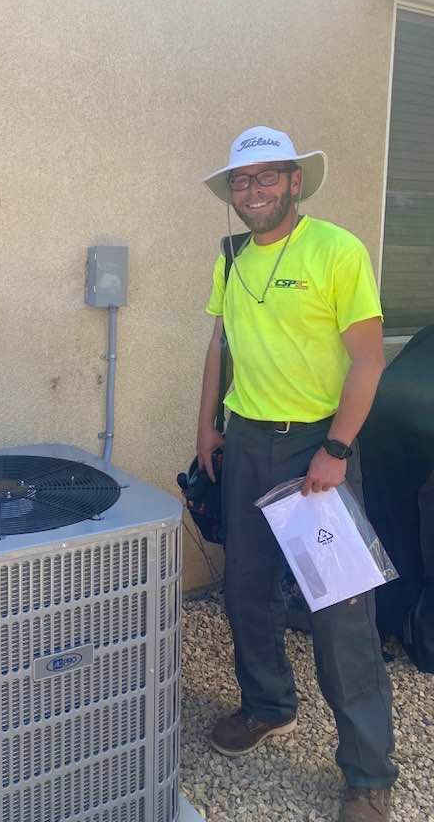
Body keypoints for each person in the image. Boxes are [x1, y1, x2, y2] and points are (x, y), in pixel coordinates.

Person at [196, 126, 397, 822]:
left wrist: (337, 450)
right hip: (246, 443)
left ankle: (369, 774)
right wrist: (207, 426)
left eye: (266, 177)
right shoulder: (230, 257)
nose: (252, 191)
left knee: (341, 612)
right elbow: (219, 343)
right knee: (246, 591)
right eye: (241, 182)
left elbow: (368, 360)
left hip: (317, 448)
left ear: (295, 183)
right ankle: (268, 706)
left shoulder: (336, 250)